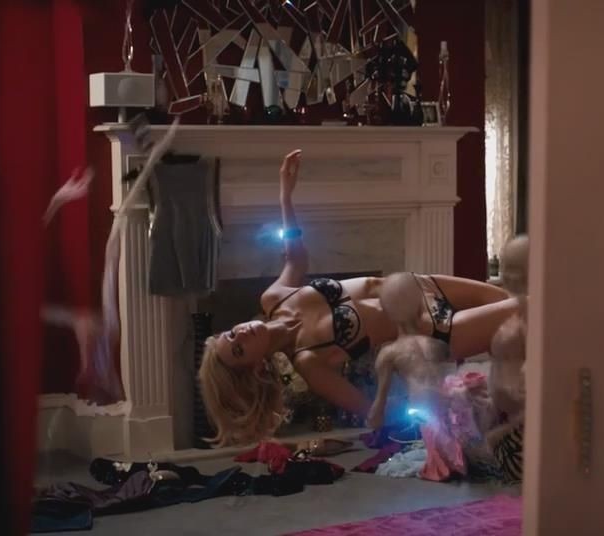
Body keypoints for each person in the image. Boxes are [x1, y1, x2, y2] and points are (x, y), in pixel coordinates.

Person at [197, 149, 523, 447]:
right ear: (255, 368)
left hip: (424, 286)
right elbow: (370, 410)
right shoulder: (309, 362)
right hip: (437, 330)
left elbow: (296, 259)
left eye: (231, 334)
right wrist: (432, 402)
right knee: (530, 310)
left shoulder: (275, 298)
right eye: (238, 349)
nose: (240, 334)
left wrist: (285, 196)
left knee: (522, 306)